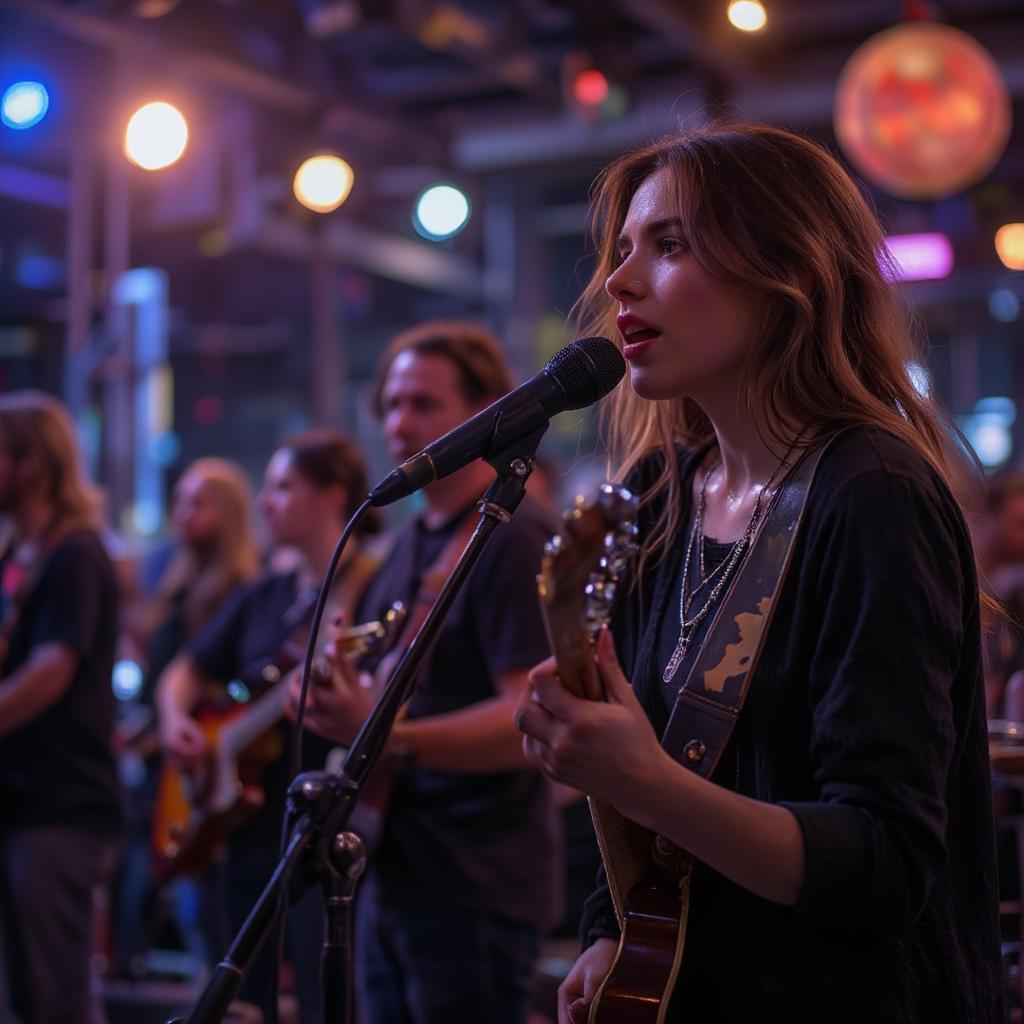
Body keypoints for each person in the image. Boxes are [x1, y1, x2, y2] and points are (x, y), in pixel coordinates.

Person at [514, 123, 1001, 1023]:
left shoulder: (873, 492)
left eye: (669, 244)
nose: (619, 281)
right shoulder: (662, 493)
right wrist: (607, 928)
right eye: (621, 252)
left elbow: (885, 863)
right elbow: (642, 781)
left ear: (788, 269)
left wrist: (645, 781)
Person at [294, 321, 562, 1024]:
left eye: (422, 404)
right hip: (396, 870)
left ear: (484, 414)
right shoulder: (410, 545)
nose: (399, 422)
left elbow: (526, 714)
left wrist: (391, 738)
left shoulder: (513, 536)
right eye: (389, 404)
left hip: (475, 882)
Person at [156, 429, 380, 1023]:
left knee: (321, 995)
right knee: (241, 1001)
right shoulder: (265, 592)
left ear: (334, 496)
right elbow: (183, 672)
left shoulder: (370, 586)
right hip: (250, 831)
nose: (265, 501)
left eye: (284, 487)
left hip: (321, 834)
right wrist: (179, 721)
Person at [0, 391, 121, 1024]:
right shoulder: (16, 556)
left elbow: (51, 673)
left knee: (56, 1000)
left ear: (30, 463)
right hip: (21, 803)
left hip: (60, 808)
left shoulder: (74, 553)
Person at [113, 457, 260, 974]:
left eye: (197, 502)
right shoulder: (173, 583)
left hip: (199, 766)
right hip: (163, 760)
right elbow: (162, 674)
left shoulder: (241, 589)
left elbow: (229, 692)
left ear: (229, 513)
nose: (182, 513)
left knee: (209, 916)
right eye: (180, 501)